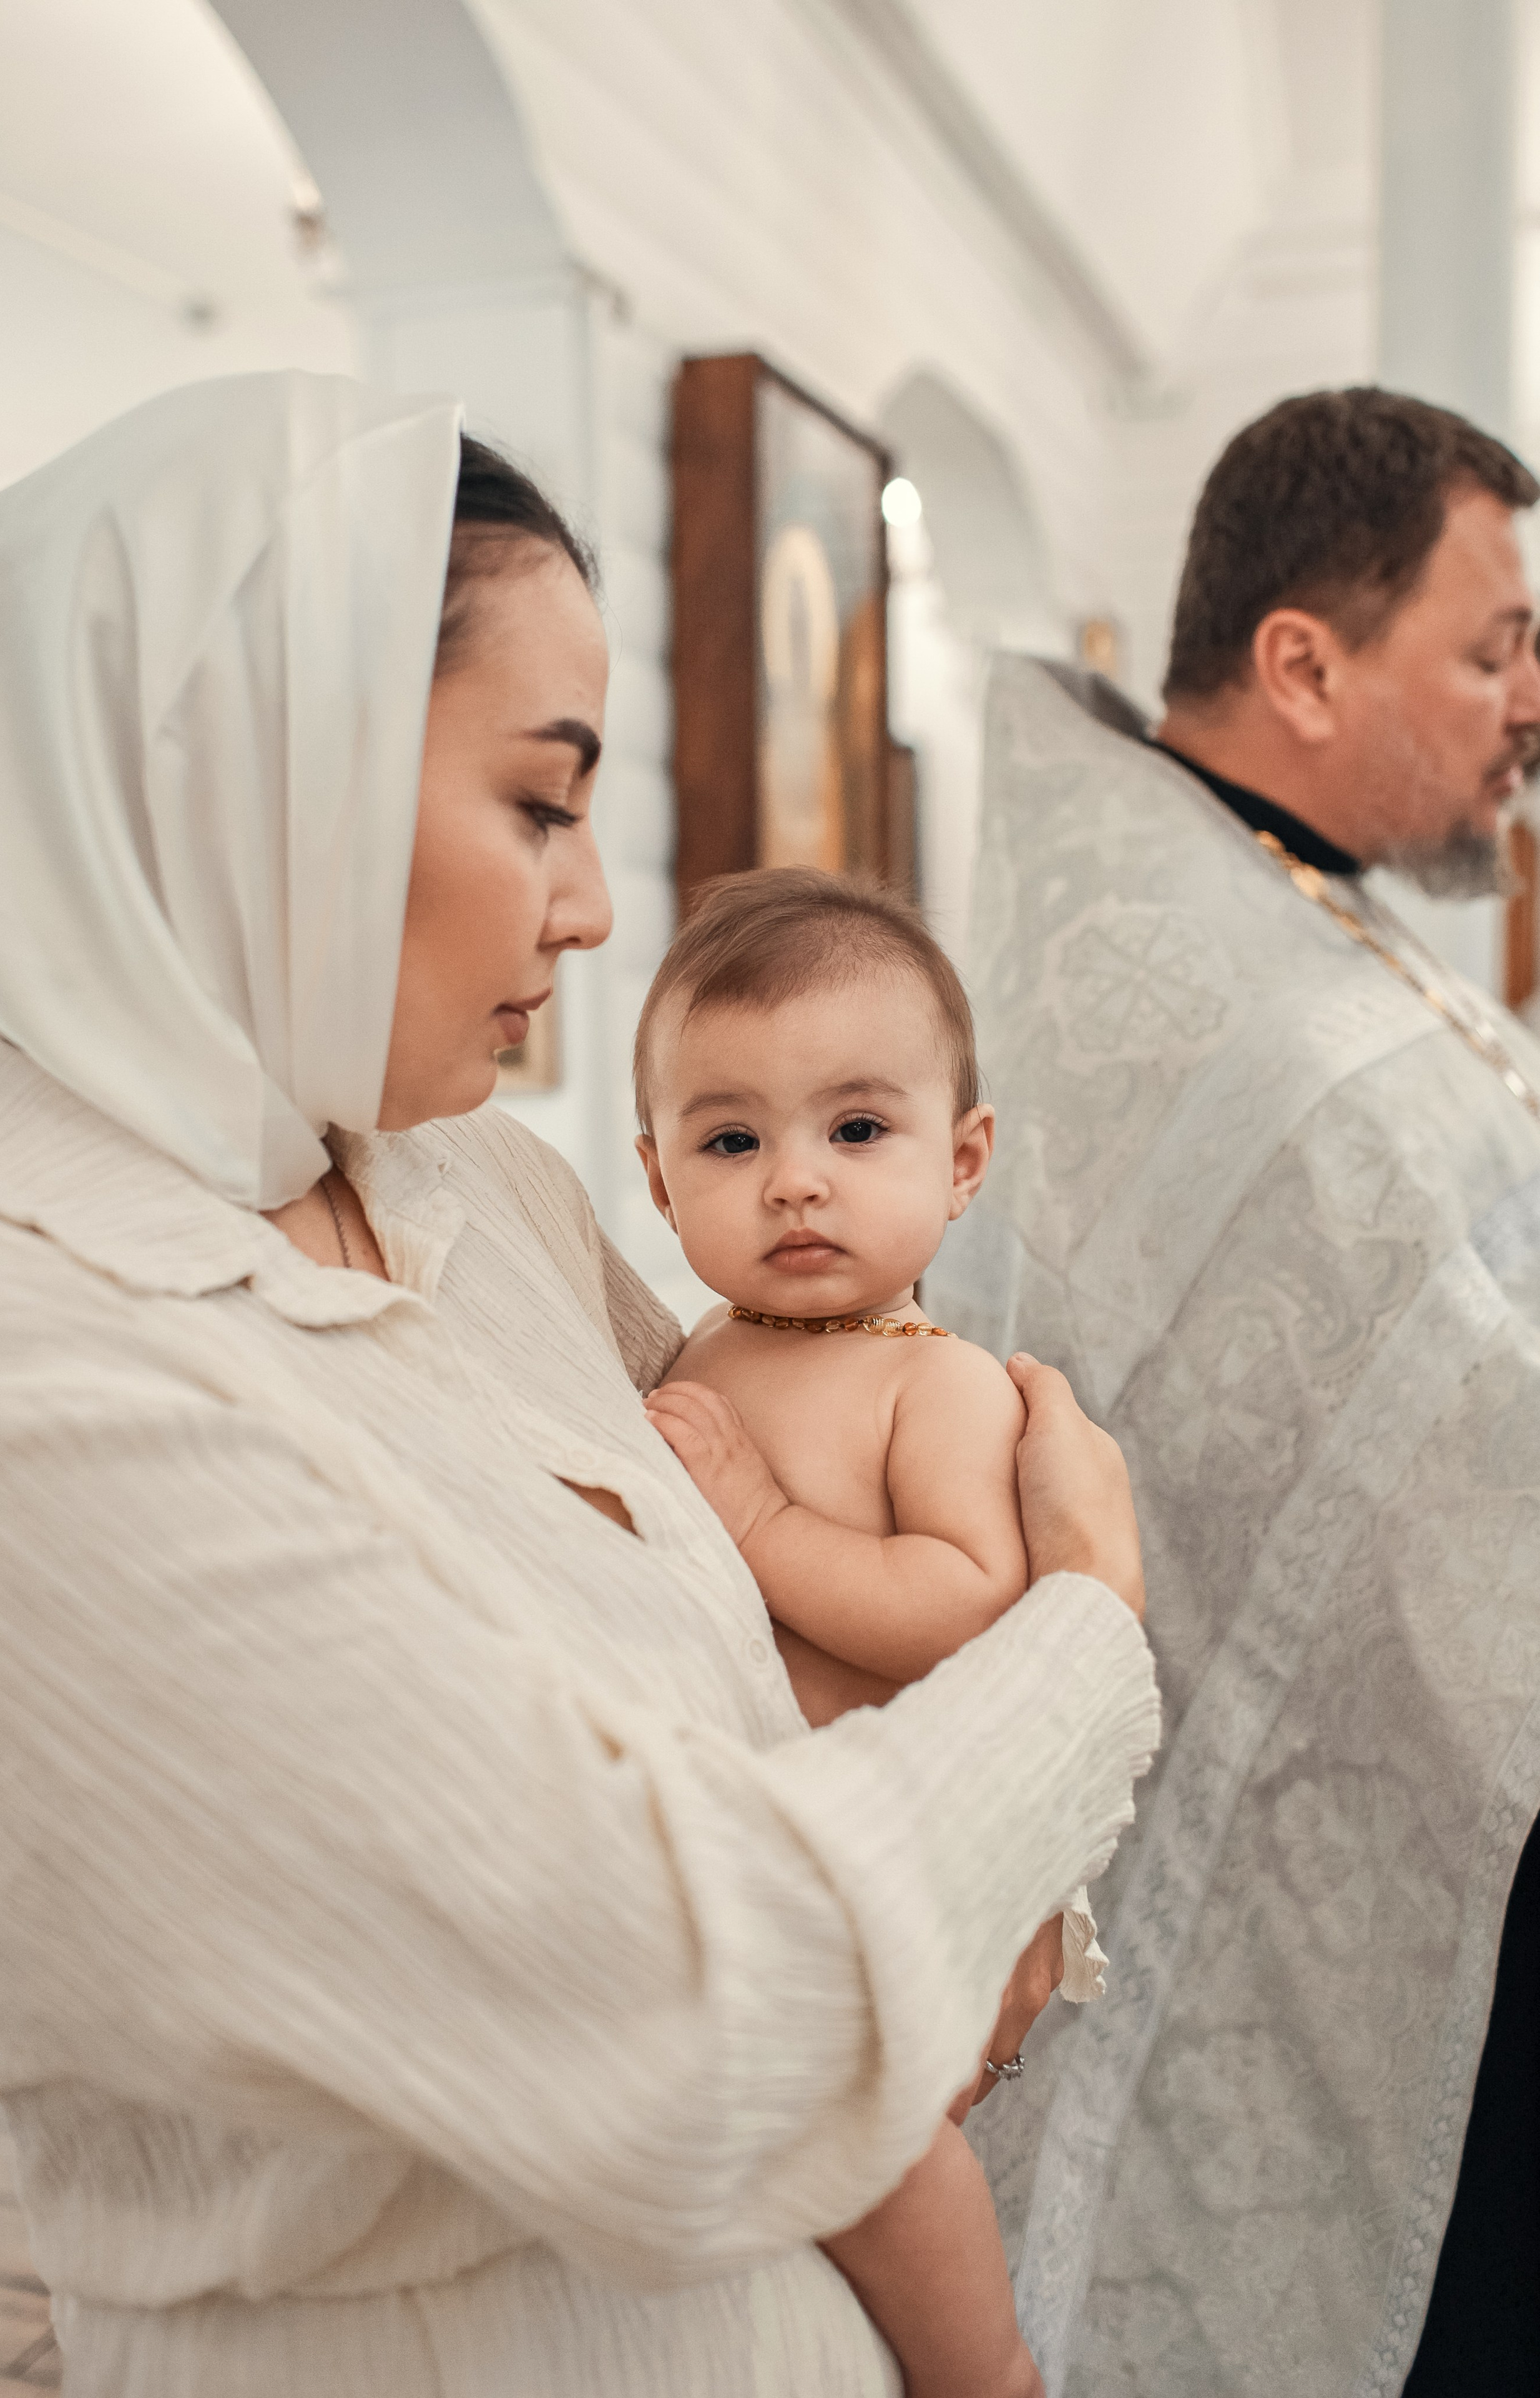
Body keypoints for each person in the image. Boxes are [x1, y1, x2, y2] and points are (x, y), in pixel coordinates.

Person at [0, 371, 1160, 2397]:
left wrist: (943, 1912)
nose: (592, 910)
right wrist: (1094, 1634)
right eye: (538, 800)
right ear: (258, 764)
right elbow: (703, 2023)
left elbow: (769, 1669)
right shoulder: (6, 1350)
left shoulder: (468, 1187)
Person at [932, 385, 1540, 2398]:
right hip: (1288, 1826)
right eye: (1491, 645)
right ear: (1303, 662)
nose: (1528, 697)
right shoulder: (1203, 965)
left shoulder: (1269, 893)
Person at [634, 867, 1111, 2398]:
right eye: (731, 1139)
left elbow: (972, 1606)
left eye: (854, 1130)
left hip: (891, 1867)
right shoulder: (697, 1348)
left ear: (961, 1159)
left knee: (887, 2158)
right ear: (655, 1182)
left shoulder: (937, 1383)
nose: (793, 1180)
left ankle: (987, 2374)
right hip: (740, 1865)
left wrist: (761, 1525)